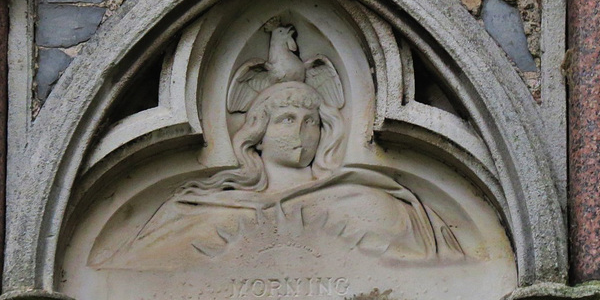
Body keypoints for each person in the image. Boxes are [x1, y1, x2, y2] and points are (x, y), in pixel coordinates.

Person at [91, 82, 463, 270]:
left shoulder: (367, 199)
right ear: (258, 131)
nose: (301, 132)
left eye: (311, 122)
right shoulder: (200, 206)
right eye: (286, 119)